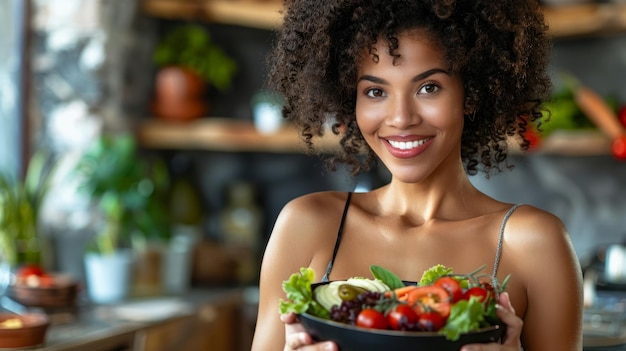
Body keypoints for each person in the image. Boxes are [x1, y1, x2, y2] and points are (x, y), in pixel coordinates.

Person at [251, 0, 583, 350]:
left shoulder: (534, 242)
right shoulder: (306, 225)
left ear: (471, 93)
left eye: (428, 88)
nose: (401, 118)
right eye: (376, 92)